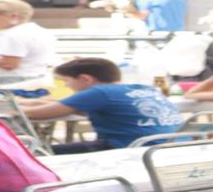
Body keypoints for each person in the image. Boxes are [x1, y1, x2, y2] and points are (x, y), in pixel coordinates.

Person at [21, 56, 182, 151]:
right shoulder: (143, 88)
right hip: (171, 146)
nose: (66, 86)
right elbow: (59, 105)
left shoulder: (99, 92)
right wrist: (25, 103)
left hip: (129, 149)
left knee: (39, 153)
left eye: (66, 81)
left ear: (85, 79)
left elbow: (37, 113)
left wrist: (6, 109)